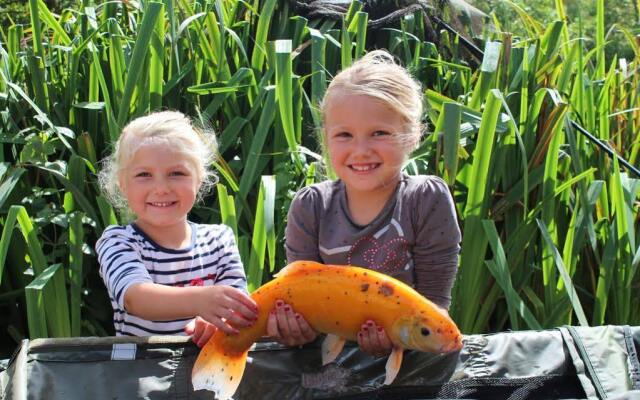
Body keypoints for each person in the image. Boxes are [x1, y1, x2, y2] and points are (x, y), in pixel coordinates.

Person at [267, 50, 461, 357]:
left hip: (409, 357)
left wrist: (397, 341)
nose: (361, 150)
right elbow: (299, 298)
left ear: (412, 136)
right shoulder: (311, 206)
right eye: (344, 134)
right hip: (326, 359)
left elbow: (434, 308)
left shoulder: (425, 200)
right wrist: (293, 330)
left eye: (379, 133)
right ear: (326, 139)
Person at [95, 111, 258, 347]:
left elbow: (236, 308)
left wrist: (217, 321)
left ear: (199, 178)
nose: (161, 188)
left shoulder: (219, 239)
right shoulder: (118, 241)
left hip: (210, 365)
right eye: (144, 175)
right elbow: (136, 298)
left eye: (176, 173)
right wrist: (201, 301)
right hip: (141, 373)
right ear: (123, 184)